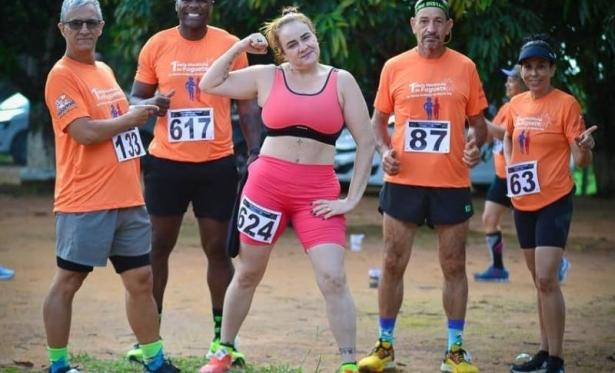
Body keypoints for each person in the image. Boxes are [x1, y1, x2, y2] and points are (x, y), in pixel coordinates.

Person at [197, 6, 376, 373]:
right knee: (248, 272)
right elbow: (209, 83)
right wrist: (241, 46)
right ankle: (223, 352)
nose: (303, 47)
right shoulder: (267, 76)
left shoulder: (341, 81)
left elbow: (367, 142)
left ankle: (346, 363)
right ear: (282, 51)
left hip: (317, 192)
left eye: (306, 37)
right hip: (266, 188)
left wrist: (352, 198)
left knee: (333, 276)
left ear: (315, 36)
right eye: (292, 44)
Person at [43, 1, 179, 373]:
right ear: (62, 29)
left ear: (101, 27)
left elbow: (113, 116)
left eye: (91, 22)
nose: (84, 29)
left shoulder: (102, 69)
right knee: (69, 280)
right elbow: (84, 132)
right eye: (76, 23)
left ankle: (154, 360)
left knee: (141, 278)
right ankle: (58, 365)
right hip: (85, 198)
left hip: (126, 196)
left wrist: (145, 106)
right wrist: (132, 118)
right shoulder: (61, 75)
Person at [126, 0, 263, 362]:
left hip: (215, 165)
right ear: (176, 4)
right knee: (157, 246)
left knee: (218, 250)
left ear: (211, 5)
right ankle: (148, 339)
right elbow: (134, 96)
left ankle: (223, 341)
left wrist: (254, 152)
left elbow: (246, 105)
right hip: (165, 164)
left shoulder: (229, 44)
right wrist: (151, 102)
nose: (194, 5)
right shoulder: (157, 44)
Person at [357, 1, 488, 372]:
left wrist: (476, 145)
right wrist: (384, 152)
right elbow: (377, 123)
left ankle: (455, 350)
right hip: (404, 182)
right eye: (424, 21)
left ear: (448, 27)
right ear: (414, 25)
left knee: (454, 264)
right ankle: (384, 346)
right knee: (392, 261)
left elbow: (478, 122)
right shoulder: (394, 67)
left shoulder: (465, 67)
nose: (431, 28)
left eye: (438, 22)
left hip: (451, 182)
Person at [505, 34, 596, 373]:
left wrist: (584, 147)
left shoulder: (566, 104)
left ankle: (556, 360)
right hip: (522, 200)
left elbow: (582, 161)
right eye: (528, 67)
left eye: (541, 66)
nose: (534, 73)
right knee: (538, 280)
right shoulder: (516, 105)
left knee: (546, 277)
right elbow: (509, 139)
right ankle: (543, 351)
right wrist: (510, 171)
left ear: (553, 69)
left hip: (555, 199)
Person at [474, 67, 572, 284]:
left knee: (534, 225)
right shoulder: (506, 108)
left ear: (521, 83)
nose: (507, 85)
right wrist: (477, 131)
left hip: (524, 175)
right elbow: (493, 137)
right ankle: (498, 268)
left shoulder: (527, 108)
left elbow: (504, 133)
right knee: (489, 218)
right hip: (505, 175)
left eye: (511, 81)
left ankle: (557, 262)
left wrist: (481, 120)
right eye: (507, 82)